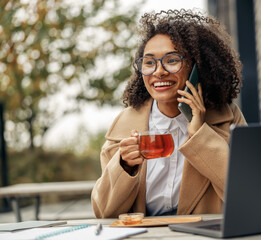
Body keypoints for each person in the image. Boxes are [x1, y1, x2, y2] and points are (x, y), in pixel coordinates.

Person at [91, 9, 247, 218]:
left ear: (196, 67)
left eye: (172, 60)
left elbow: (246, 194)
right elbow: (103, 212)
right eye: (149, 62)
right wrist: (124, 166)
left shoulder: (229, 118)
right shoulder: (123, 126)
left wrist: (200, 134)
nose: (158, 71)